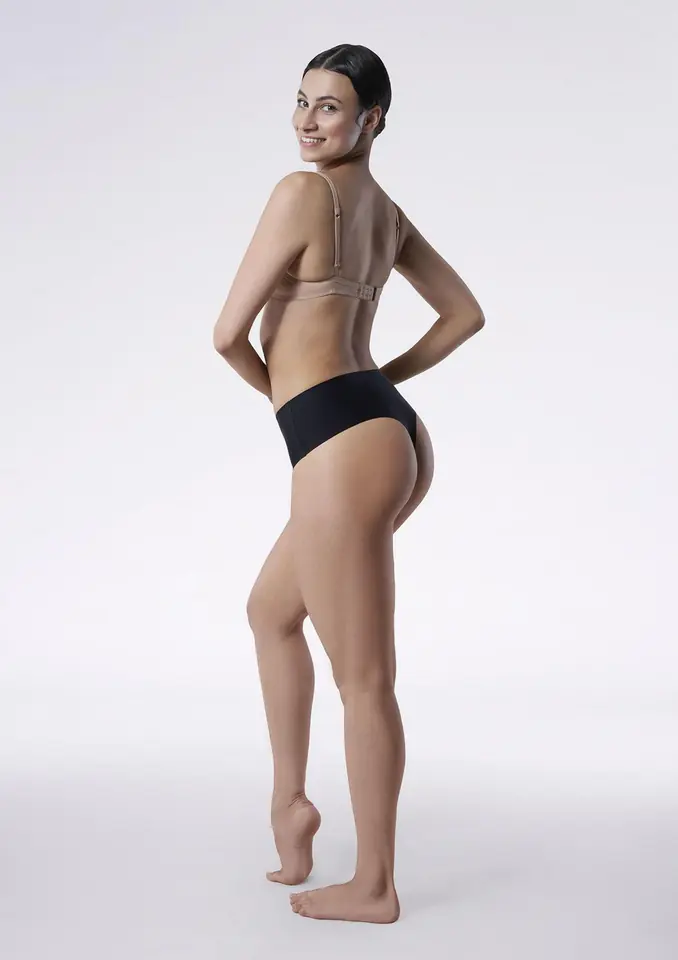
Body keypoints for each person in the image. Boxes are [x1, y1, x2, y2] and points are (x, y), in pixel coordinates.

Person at [212, 43, 485, 924]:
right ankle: (290, 805)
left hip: (343, 444)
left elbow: (227, 335)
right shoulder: (384, 211)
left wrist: (299, 403)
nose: (307, 120)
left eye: (329, 107)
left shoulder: (301, 194)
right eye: (301, 101)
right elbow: (465, 314)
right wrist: (376, 390)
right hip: (383, 432)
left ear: (373, 120)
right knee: (270, 611)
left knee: (364, 679)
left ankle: (374, 885)